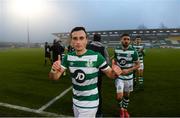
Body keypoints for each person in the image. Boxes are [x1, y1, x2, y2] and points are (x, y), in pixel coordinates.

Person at [49, 27, 122, 118]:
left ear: (86, 40)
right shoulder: (68, 57)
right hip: (75, 100)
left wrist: (115, 72)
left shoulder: (97, 57)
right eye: (75, 38)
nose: (78, 42)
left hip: (90, 102)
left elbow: (110, 74)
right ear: (71, 41)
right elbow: (54, 77)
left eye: (81, 38)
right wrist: (53, 70)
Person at [112, 33, 140, 118]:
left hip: (129, 77)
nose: (126, 41)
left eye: (128, 39)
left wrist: (128, 70)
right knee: (119, 96)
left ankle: (125, 109)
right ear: (121, 40)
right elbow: (115, 60)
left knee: (127, 95)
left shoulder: (133, 51)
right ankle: (121, 109)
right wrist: (114, 66)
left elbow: (138, 65)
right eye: (124, 39)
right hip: (119, 76)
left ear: (130, 41)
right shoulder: (116, 50)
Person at [86, 33, 110, 117]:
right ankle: (98, 113)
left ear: (93, 39)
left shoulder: (87, 46)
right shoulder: (103, 48)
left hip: (87, 73)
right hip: (98, 74)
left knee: (86, 91)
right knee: (97, 92)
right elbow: (107, 62)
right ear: (100, 39)